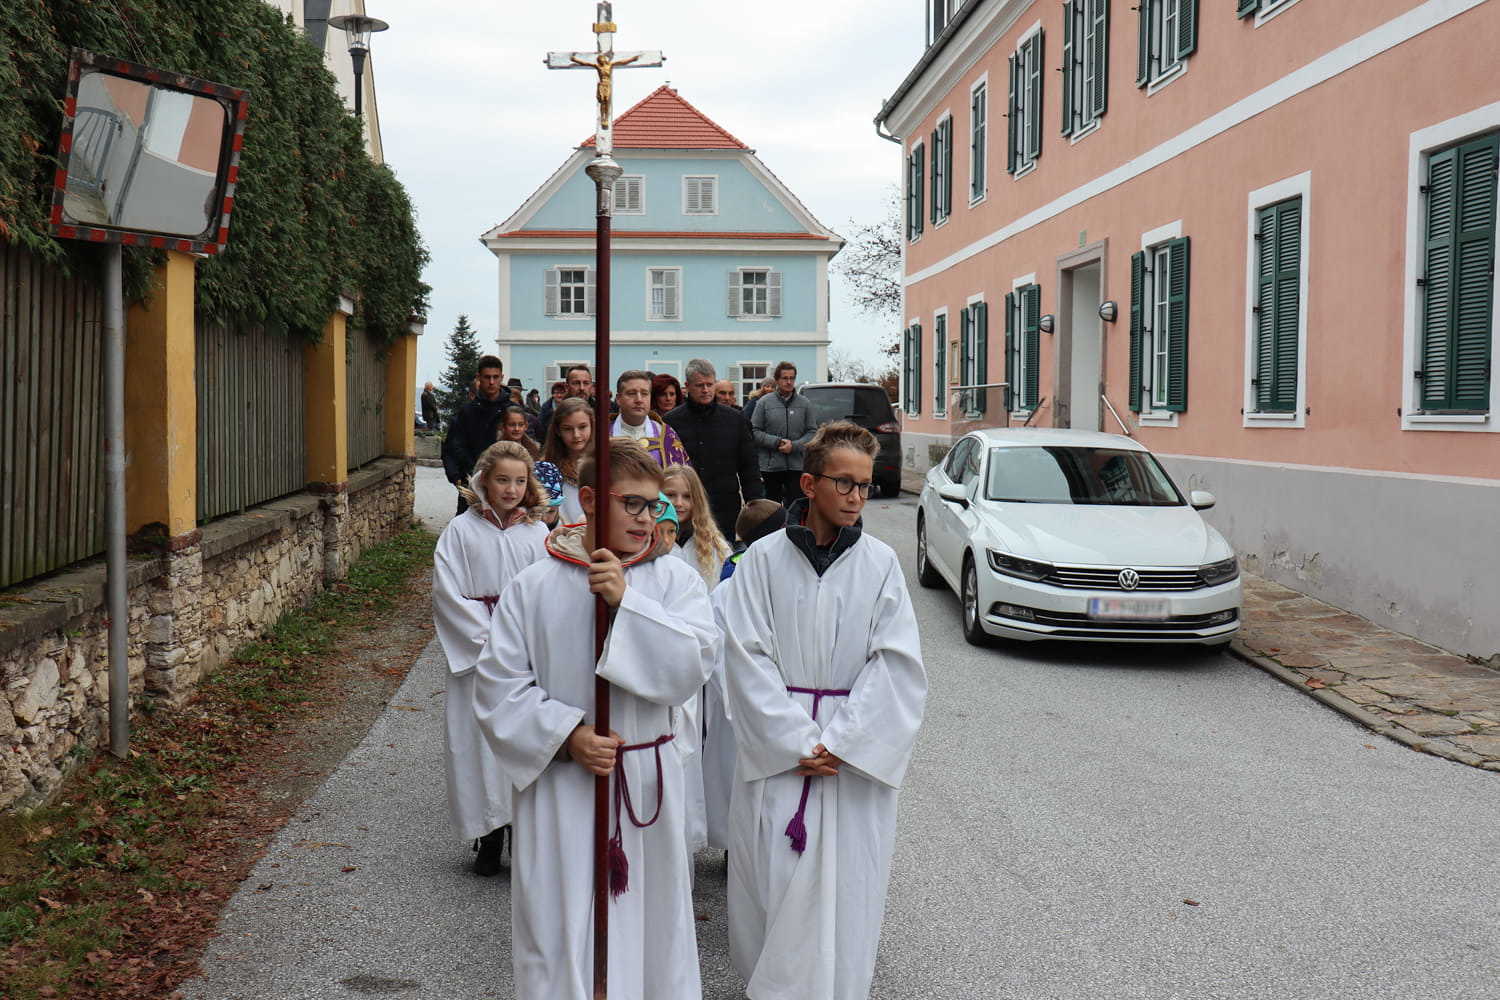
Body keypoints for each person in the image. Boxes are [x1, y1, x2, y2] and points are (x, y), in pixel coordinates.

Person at [470, 440, 719, 1000]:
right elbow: (498, 687)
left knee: (653, 931)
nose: (646, 517)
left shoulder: (675, 581)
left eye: (653, 505)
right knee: (560, 930)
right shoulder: (534, 586)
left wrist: (628, 604)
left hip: (646, 785)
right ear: (587, 499)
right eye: (631, 503)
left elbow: (693, 666)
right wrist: (566, 736)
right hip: (564, 787)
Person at [720, 420, 928, 1000]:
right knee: (774, 881)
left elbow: (897, 664)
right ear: (809, 484)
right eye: (845, 483)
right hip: (782, 756)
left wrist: (841, 742)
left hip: (847, 763)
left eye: (865, 485)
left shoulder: (881, 564)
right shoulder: (761, 561)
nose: (857, 497)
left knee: (847, 887)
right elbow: (744, 654)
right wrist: (794, 742)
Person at [432, 441, 550, 877]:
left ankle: (524, 830)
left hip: (525, 654)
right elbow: (448, 593)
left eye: (519, 481)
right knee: (477, 743)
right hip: (479, 654)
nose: (511, 489)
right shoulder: (460, 532)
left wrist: (524, 644)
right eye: (502, 480)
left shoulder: (537, 535)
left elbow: (549, 594)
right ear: (483, 480)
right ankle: (488, 832)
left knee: (522, 739)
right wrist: (489, 642)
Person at [701, 498, 788, 853]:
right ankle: (734, 849)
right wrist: (741, 704)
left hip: (773, 703)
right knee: (737, 779)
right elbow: (718, 653)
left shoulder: (781, 579)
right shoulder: (729, 590)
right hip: (738, 706)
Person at [664, 359, 764, 540]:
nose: (705, 390)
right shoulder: (671, 422)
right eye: (699, 385)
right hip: (684, 507)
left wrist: (756, 504)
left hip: (724, 508)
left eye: (709, 385)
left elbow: (749, 467)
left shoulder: (735, 420)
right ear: (687, 386)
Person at [443, 355, 510, 516]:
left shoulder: (511, 411)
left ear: (502, 377)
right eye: (487, 377)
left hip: (507, 486)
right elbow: (451, 447)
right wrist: (457, 478)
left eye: (495, 377)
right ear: (479, 378)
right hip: (472, 484)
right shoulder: (466, 412)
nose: (491, 382)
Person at [750, 362, 818, 505]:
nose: (789, 382)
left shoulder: (805, 403)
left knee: (796, 507)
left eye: (792, 378)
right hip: (770, 467)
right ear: (777, 380)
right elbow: (754, 431)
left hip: (796, 466)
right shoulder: (764, 403)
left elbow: (812, 432)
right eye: (785, 378)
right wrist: (776, 442)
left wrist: (794, 446)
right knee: (770, 510)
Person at [661, 465, 731, 590]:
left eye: (687, 496)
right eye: (670, 495)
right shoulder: (647, 542)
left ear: (697, 501)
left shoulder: (715, 546)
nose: (678, 503)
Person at [612, 370, 691, 469]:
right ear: (619, 399)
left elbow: (680, 475)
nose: (639, 400)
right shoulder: (601, 434)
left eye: (644, 394)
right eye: (632, 393)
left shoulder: (666, 434)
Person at [541, 397, 593, 525]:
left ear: (592, 425)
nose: (576, 435)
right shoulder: (547, 469)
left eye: (582, 427)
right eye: (568, 429)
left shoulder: (606, 463)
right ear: (558, 430)